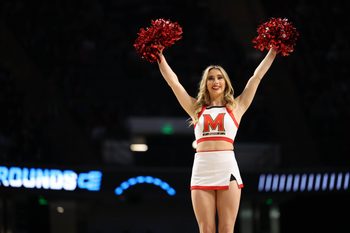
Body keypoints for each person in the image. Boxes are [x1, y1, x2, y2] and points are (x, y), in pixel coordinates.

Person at [157, 47, 277, 233]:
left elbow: (256, 77)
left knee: (226, 228)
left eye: (220, 77)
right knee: (206, 229)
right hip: (202, 168)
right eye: (211, 78)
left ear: (226, 83)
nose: (216, 81)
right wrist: (159, 56)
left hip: (227, 168)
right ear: (205, 83)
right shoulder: (195, 109)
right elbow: (174, 83)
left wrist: (273, 51)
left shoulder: (237, 107)